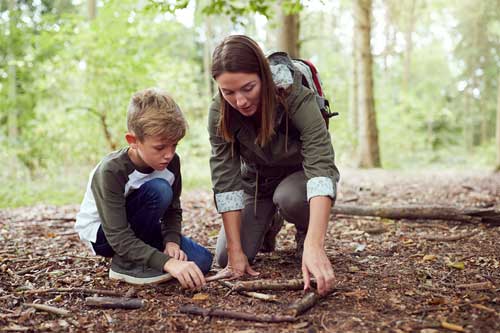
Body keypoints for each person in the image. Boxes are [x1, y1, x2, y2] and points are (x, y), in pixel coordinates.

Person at [208, 35, 340, 295]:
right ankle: (269, 222)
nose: (241, 101)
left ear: (264, 77)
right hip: (257, 183)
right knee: (225, 258)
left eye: (248, 88)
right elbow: (225, 181)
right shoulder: (219, 113)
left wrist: (316, 246)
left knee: (289, 197)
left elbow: (321, 169)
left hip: (299, 178)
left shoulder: (295, 97)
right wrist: (235, 251)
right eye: (228, 92)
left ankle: (305, 233)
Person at [75, 88, 212, 288]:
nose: (169, 154)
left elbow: (172, 211)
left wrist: (172, 242)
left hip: (143, 229)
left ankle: (144, 258)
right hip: (106, 236)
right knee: (159, 189)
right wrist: (168, 262)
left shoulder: (172, 163)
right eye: (160, 147)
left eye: (174, 145)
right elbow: (118, 236)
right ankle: (124, 264)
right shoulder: (111, 171)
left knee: (201, 261)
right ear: (134, 141)